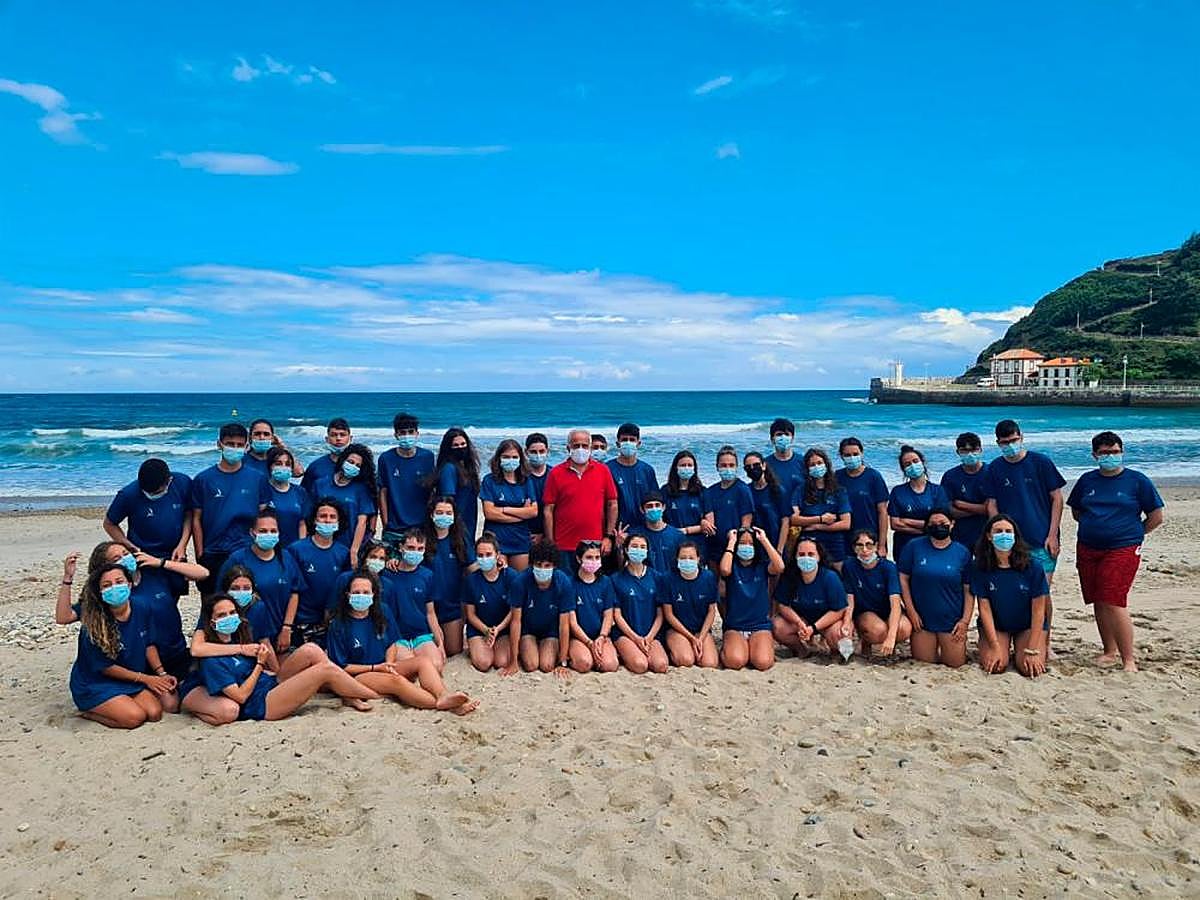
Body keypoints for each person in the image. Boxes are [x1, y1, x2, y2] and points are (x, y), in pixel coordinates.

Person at [1067, 430, 1165, 672]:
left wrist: (1133, 534)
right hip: (1088, 547)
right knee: (1099, 599)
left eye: (1114, 451)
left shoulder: (1137, 480)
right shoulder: (1087, 480)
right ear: (1094, 455)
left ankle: (1128, 658)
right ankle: (1109, 651)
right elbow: (1077, 511)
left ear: (1122, 452)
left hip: (1123, 547)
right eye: (1104, 453)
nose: (1110, 456)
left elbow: (1156, 516)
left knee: (1113, 599)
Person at [196, 593, 378, 721]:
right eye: (222, 615)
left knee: (311, 649)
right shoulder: (212, 661)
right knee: (325, 670)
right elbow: (241, 697)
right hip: (261, 704)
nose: (229, 617)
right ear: (212, 622)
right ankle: (375, 695)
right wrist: (260, 665)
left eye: (232, 613)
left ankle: (349, 692)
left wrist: (266, 669)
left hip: (267, 685)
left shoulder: (237, 641)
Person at [325, 573, 477, 714]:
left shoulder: (382, 611)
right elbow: (342, 667)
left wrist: (389, 664)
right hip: (360, 675)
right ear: (348, 595)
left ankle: (443, 695)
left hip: (384, 665)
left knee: (423, 661)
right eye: (356, 592)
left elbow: (392, 643)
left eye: (366, 592)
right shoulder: (338, 625)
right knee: (397, 682)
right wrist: (376, 668)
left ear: (373, 594)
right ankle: (449, 706)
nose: (361, 596)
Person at [60, 541, 208, 684]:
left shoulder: (154, 573)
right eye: (116, 558)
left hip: (175, 652)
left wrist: (161, 562)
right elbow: (64, 617)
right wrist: (67, 579)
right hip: (141, 663)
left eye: (126, 553)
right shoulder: (110, 592)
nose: (124, 559)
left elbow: (203, 573)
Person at [66, 562, 177, 728]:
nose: (114, 588)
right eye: (107, 585)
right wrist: (146, 679)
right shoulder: (93, 624)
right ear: (100, 592)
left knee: (155, 713)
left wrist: (161, 673)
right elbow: (105, 667)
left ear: (129, 584)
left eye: (119, 582)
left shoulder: (142, 606)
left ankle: (120, 703)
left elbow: (149, 643)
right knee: (134, 718)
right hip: (96, 681)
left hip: (131, 677)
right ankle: (87, 712)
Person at [982, 419, 1066, 585]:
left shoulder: (1041, 462)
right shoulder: (995, 468)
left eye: (1014, 440)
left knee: (1042, 592)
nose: (1010, 445)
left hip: (1042, 539)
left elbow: (1057, 498)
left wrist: (1052, 535)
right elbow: (992, 504)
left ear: (1021, 437)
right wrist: (998, 535)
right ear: (998, 443)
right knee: (1016, 590)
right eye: (1005, 442)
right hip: (1011, 542)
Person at [189, 422, 265, 596]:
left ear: (247, 447)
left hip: (246, 550)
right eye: (230, 444)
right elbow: (196, 519)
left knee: (246, 600)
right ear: (219, 444)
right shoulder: (203, 479)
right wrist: (200, 554)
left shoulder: (257, 478)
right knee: (212, 602)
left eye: (239, 445)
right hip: (213, 551)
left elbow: (263, 517)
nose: (235, 448)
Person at [971, 515, 1050, 678]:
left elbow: (1039, 610)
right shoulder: (980, 567)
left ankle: (1030, 647)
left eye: (1008, 531)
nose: (1004, 535)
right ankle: (1000, 646)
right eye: (998, 531)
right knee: (996, 666)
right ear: (989, 536)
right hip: (998, 625)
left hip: (1027, 625)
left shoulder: (1033, 566)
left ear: (1015, 536)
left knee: (1029, 668)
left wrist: (1032, 650)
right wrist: (994, 646)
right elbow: (984, 609)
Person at [217, 510, 306, 653]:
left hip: (281, 631)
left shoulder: (286, 558)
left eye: (273, 531)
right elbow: (221, 597)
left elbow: (294, 593)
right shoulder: (237, 559)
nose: (268, 535)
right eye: (263, 531)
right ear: (252, 533)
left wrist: (287, 628)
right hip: (247, 635)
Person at [103, 458, 193, 594]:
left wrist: (182, 545)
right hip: (143, 556)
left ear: (169, 481)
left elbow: (189, 514)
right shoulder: (128, 494)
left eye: (156, 492)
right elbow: (109, 524)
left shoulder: (182, 483)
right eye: (148, 492)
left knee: (171, 596)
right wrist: (127, 545)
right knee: (145, 596)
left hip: (174, 554)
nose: (152, 495)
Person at [898, 509, 973, 668]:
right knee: (923, 663)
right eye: (933, 524)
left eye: (942, 523)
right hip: (922, 621)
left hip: (951, 621)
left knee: (955, 664)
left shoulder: (962, 552)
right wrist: (911, 611)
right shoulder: (914, 546)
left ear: (952, 524)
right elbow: (903, 578)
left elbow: (968, 590)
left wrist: (965, 621)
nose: (938, 526)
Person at [542, 428, 618, 573]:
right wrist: (551, 543)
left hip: (594, 546)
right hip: (563, 545)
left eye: (584, 446)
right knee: (566, 584)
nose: (580, 449)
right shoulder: (555, 473)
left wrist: (608, 537)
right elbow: (548, 510)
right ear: (568, 448)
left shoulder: (603, 471)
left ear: (590, 448)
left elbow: (612, 504)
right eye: (576, 446)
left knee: (592, 583)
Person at [773, 538, 853, 659]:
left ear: (819, 557)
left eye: (811, 554)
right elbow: (782, 605)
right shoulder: (789, 575)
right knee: (777, 627)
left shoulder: (830, 577)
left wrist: (814, 627)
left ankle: (836, 653)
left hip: (828, 621)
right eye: (801, 554)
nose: (806, 558)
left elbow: (839, 610)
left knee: (839, 635)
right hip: (802, 620)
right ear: (795, 557)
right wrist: (799, 622)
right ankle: (802, 649)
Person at [717, 526, 784, 670]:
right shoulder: (732, 566)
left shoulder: (762, 566)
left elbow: (780, 566)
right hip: (735, 626)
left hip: (759, 626)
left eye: (750, 543)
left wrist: (764, 540)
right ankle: (735, 648)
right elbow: (724, 569)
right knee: (735, 661)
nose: (746, 547)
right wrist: (732, 541)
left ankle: (758, 647)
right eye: (742, 543)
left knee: (762, 662)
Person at [285, 499, 352, 640]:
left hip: (330, 622)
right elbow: (290, 588)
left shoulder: (344, 553)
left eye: (332, 517)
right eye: (323, 516)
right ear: (314, 520)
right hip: (301, 621)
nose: (327, 520)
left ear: (339, 522)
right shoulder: (296, 550)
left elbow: (344, 588)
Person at [841, 530, 911, 658]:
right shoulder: (849, 566)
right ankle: (865, 641)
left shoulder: (888, 567)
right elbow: (850, 599)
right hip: (866, 611)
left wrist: (891, 637)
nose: (865, 550)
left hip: (887, 609)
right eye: (860, 545)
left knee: (904, 629)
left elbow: (895, 603)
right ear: (854, 548)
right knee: (878, 630)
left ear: (876, 546)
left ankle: (891, 647)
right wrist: (847, 622)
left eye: (869, 545)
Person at [507, 541, 573, 674]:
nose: (542, 569)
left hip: (550, 631)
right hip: (528, 629)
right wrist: (513, 661)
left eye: (547, 565)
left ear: (554, 566)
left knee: (547, 666)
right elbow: (515, 622)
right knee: (531, 665)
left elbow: (564, 625)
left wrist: (562, 661)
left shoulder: (563, 582)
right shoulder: (520, 582)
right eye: (538, 565)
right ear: (532, 564)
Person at [611, 534, 670, 674]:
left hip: (651, 633)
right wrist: (636, 639)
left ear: (647, 551)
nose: (639, 550)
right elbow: (617, 616)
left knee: (661, 665)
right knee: (640, 665)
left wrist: (649, 637)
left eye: (643, 547)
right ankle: (622, 651)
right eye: (634, 546)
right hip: (626, 634)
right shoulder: (615, 579)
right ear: (626, 550)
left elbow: (660, 614)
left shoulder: (657, 577)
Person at [310, 443, 377, 565]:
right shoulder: (320, 484)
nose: (353, 466)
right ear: (342, 460)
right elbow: (310, 516)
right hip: (320, 543)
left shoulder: (362, 489)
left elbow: (362, 522)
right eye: (350, 462)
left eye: (358, 465)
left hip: (347, 545)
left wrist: (354, 551)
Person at [388, 528, 446, 669]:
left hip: (421, 634)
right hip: (397, 636)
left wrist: (440, 644)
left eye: (420, 549)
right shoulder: (387, 574)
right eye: (410, 548)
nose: (415, 552)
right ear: (401, 547)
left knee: (436, 666)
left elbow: (430, 612)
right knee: (412, 668)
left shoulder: (427, 575)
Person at [461, 533, 519, 672]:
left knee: (502, 662)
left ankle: (497, 646)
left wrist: (498, 629)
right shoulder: (471, 580)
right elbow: (470, 614)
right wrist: (486, 630)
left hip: (503, 629)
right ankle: (475, 647)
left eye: (488, 554)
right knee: (484, 663)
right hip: (479, 629)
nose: (484, 559)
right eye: (480, 555)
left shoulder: (510, 576)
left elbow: (514, 611)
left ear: (497, 555)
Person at [377, 412, 437, 546]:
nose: (407, 436)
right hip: (394, 528)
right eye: (402, 432)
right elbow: (382, 492)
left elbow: (432, 491)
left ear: (417, 433)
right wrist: (386, 522)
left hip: (421, 526)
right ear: (396, 435)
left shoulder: (428, 457)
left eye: (410, 432)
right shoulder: (386, 459)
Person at [480, 439, 539, 571]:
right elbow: (489, 513)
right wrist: (521, 514)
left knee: (519, 580)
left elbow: (533, 511)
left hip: (520, 540)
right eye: (506, 457)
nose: (510, 460)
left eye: (514, 457)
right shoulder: (489, 480)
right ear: (498, 458)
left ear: (520, 459)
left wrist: (503, 509)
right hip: (496, 540)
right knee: (498, 578)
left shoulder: (526, 481)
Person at [660, 541, 719, 668]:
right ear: (677, 559)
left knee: (709, 663)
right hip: (677, 630)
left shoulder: (708, 577)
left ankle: (696, 644)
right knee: (686, 660)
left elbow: (711, 611)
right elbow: (669, 615)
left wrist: (701, 637)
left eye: (691, 558)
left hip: (700, 630)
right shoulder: (667, 579)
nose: (687, 561)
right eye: (683, 558)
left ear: (698, 559)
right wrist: (691, 638)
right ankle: (675, 648)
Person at [424, 495, 470, 658]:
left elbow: (473, 567)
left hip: (452, 606)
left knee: (453, 650)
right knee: (431, 649)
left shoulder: (461, 539)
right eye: (439, 512)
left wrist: (495, 565)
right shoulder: (422, 540)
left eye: (448, 513)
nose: (444, 516)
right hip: (427, 606)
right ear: (432, 514)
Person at [790, 448, 851, 570]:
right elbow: (793, 519)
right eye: (812, 465)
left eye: (819, 463)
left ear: (826, 464)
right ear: (807, 469)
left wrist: (817, 526)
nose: (816, 467)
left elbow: (846, 523)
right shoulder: (801, 490)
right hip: (809, 543)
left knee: (838, 574)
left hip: (834, 543)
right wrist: (820, 518)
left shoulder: (838, 490)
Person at [564, 540, 619, 673]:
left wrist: (602, 637)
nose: (593, 561)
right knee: (584, 664)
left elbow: (608, 615)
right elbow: (572, 622)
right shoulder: (569, 584)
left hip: (600, 635)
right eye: (589, 557)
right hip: (578, 637)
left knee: (610, 665)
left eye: (597, 557)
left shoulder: (606, 582)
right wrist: (589, 643)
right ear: (579, 559)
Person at [887, 445, 949, 562]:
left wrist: (906, 521)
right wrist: (927, 529)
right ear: (904, 470)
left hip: (932, 544)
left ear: (922, 462)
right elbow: (895, 524)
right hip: (904, 545)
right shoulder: (897, 492)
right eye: (907, 464)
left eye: (915, 461)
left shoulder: (937, 491)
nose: (912, 466)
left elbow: (940, 523)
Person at [835, 437, 890, 558]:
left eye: (855, 454)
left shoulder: (874, 476)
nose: (852, 458)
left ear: (862, 453)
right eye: (847, 455)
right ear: (841, 456)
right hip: (845, 539)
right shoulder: (837, 477)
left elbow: (882, 512)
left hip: (870, 538)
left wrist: (881, 545)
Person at [702, 446, 754, 567]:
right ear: (717, 467)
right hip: (713, 548)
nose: (727, 469)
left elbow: (746, 525)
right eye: (723, 465)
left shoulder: (743, 490)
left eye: (731, 465)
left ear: (736, 467)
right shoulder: (709, 492)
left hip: (734, 549)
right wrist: (703, 522)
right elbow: (709, 521)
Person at [940, 432, 989, 555]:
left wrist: (961, 504)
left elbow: (991, 508)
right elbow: (948, 511)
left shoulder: (991, 473)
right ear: (958, 452)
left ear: (980, 450)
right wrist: (980, 508)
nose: (970, 454)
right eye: (964, 451)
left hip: (986, 536)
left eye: (973, 449)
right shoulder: (950, 476)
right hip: (959, 536)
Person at [433, 427, 482, 543]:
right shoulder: (449, 469)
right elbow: (447, 502)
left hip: (468, 525)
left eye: (463, 444)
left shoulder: (467, 469)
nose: (460, 448)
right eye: (455, 445)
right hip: (456, 529)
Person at [606, 423, 659, 528]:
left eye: (632, 440)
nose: (628, 443)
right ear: (618, 444)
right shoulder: (607, 469)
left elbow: (655, 500)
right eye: (624, 440)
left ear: (638, 443)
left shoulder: (647, 470)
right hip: (617, 529)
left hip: (644, 527)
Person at [261, 445, 310, 548]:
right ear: (270, 467)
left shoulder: (300, 492)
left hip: (293, 548)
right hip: (268, 547)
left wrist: (302, 546)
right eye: (278, 464)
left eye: (287, 464)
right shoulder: (262, 490)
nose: (283, 467)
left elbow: (302, 523)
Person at [663, 451, 711, 554]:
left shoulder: (702, 491)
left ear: (694, 468)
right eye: (683, 465)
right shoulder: (665, 491)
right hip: (672, 541)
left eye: (689, 465)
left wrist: (686, 530)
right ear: (675, 468)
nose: (686, 468)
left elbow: (710, 525)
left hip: (697, 544)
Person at [628, 490, 686, 572]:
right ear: (642, 510)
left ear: (663, 507)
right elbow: (626, 564)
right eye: (649, 506)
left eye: (657, 505)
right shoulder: (634, 535)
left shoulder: (677, 536)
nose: (654, 509)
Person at [744, 451, 790, 551]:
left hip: (775, 544)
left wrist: (779, 550)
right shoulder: (746, 491)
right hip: (754, 547)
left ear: (763, 466)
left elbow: (785, 522)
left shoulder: (778, 490)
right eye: (748, 467)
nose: (753, 469)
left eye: (756, 465)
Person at [300, 417, 352, 493]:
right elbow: (304, 495)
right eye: (333, 435)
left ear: (350, 438)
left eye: (342, 435)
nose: (338, 438)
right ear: (327, 439)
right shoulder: (315, 467)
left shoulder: (358, 467)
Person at [764, 417, 805, 501]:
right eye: (779, 434)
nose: (783, 437)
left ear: (792, 438)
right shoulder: (765, 464)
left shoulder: (803, 462)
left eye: (787, 434)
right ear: (772, 439)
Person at [524, 432, 552, 543]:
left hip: (548, 534)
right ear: (526, 452)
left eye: (541, 451)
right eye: (533, 452)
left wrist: (545, 534)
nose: (538, 455)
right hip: (524, 534)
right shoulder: (519, 475)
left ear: (547, 451)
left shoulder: (554, 475)